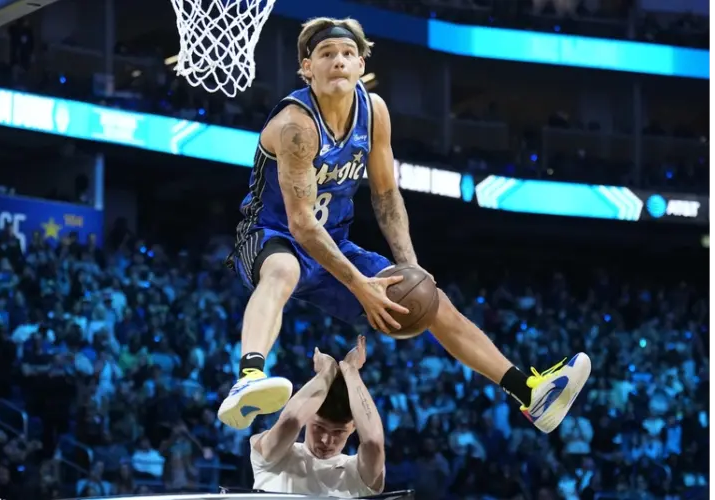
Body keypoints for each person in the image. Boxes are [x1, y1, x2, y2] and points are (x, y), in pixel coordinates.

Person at [222, 16, 591, 433]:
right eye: (326, 55)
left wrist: (410, 266)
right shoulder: (296, 126)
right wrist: (358, 284)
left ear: (362, 64)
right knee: (284, 269)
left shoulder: (374, 112)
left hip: (334, 243)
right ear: (307, 68)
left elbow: (385, 194)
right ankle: (249, 376)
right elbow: (302, 224)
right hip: (271, 235)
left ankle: (529, 393)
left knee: (434, 300)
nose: (338, 62)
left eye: (347, 54)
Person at [250, 336, 384, 497]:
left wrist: (351, 370)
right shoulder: (275, 457)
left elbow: (374, 442)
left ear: (354, 427)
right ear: (308, 415)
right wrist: (327, 371)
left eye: (338, 432)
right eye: (319, 427)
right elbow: (290, 421)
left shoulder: (357, 473)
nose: (326, 440)